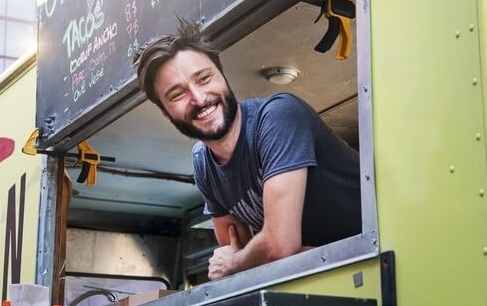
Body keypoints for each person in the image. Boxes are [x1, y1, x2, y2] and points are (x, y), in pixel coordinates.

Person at [133, 21, 361, 280]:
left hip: (387, 252)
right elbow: (239, 258)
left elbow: (277, 247)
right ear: (166, 112)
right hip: (328, 279)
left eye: (204, 78)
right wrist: (255, 259)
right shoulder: (204, 164)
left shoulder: (278, 117)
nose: (198, 98)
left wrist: (240, 262)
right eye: (177, 94)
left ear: (223, 75)